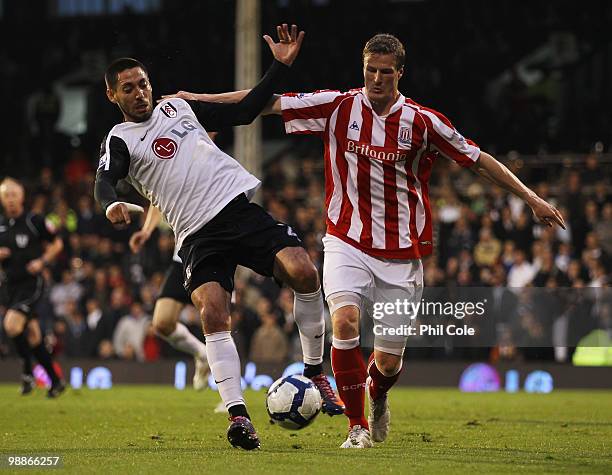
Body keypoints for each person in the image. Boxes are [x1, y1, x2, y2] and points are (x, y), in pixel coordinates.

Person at [168, 33, 566, 448]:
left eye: (386, 72)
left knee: (389, 364)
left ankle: (376, 395)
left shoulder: (423, 122)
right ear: (363, 69)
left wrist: (531, 197)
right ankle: (356, 428)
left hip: (401, 253)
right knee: (344, 320)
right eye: (370, 71)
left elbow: (477, 158)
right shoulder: (338, 106)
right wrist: (199, 100)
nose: (377, 79)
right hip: (346, 241)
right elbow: (265, 102)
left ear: (400, 74)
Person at [93, 24, 343, 451]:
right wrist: (109, 204)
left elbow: (245, 111)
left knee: (304, 272)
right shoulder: (120, 139)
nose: (140, 93)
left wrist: (279, 68)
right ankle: (239, 417)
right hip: (195, 233)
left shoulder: (179, 108)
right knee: (213, 314)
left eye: (144, 84)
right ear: (113, 96)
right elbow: (105, 179)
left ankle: (317, 370)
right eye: (128, 89)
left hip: (236, 210)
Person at [129, 205, 210, 389]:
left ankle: (232, 399)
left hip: (214, 255)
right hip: (182, 257)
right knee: (162, 323)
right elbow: (158, 200)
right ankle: (202, 354)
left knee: (220, 324)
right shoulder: (173, 177)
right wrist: (147, 231)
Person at [0, 177, 66, 397]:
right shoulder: (1, 226)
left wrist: (43, 261)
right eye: (6, 195)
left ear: (21, 197)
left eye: (14, 195)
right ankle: (56, 382)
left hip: (31, 284)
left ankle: (27, 372)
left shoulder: (34, 220)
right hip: (11, 286)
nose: (10, 199)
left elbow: (57, 243)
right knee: (34, 336)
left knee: (11, 325)